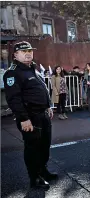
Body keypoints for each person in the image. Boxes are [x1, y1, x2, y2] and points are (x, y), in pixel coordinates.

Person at [3, 41, 57, 190]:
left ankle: (43, 171)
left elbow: (42, 90)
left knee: (45, 146)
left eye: (30, 51)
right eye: (23, 51)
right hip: (30, 117)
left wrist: (48, 107)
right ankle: (35, 178)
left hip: (43, 114)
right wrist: (24, 119)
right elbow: (14, 99)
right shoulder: (12, 73)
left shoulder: (33, 69)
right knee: (33, 148)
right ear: (15, 55)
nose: (28, 54)